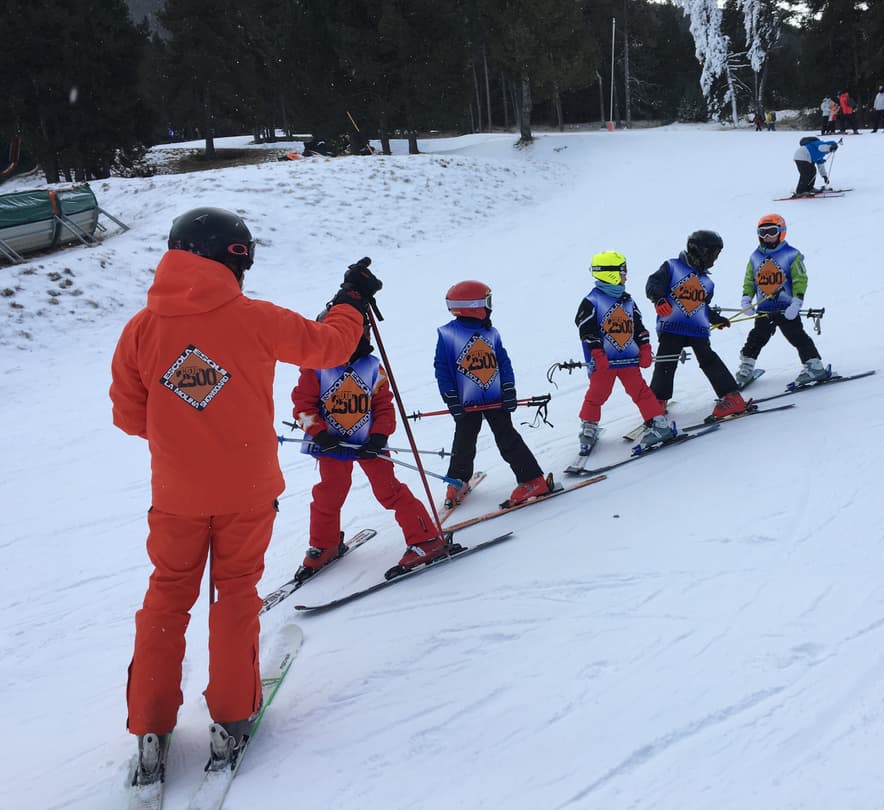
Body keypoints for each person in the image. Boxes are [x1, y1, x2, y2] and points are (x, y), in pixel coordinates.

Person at [110, 207, 377, 782]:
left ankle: (149, 724)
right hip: (247, 491)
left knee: (166, 600)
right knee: (234, 597)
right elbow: (332, 346)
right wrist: (351, 300)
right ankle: (231, 717)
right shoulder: (253, 318)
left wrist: (184, 428)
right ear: (235, 259)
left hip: (176, 495)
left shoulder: (141, 329)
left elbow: (130, 417)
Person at [291, 320, 445, 577]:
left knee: (389, 491)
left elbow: (384, 406)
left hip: (368, 443)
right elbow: (302, 407)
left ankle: (426, 539)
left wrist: (379, 436)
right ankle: (325, 544)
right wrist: (318, 433)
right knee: (329, 494)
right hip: (331, 445)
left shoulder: (373, 368)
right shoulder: (315, 368)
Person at [435, 280, 553, 507]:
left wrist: (508, 388)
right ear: (473, 306)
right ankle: (458, 480)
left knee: (507, 438)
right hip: (465, 402)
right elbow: (442, 370)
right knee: (463, 442)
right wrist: (450, 398)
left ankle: (532, 480)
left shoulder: (491, 333)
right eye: (487, 301)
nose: (490, 306)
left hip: (495, 399)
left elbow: (503, 363)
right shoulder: (448, 335)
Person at [575, 251, 675, 452]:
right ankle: (589, 426)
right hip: (604, 362)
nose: (626, 277)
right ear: (610, 274)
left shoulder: (627, 301)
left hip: (628, 359)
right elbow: (586, 329)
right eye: (623, 273)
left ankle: (658, 423)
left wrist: (645, 347)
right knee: (597, 394)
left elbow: (639, 328)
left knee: (641, 392)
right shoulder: (592, 301)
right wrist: (597, 353)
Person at [645, 230, 746, 420]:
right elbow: (654, 283)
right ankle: (658, 400)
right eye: (713, 254)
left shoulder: (707, 282)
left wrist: (716, 318)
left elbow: (702, 307)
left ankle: (732, 397)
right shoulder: (672, 267)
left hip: (696, 329)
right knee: (666, 361)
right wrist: (658, 299)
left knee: (708, 359)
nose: (714, 260)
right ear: (701, 251)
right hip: (672, 327)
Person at [734, 214, 830, 388]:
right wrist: (746, 298)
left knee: (796, 335)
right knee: (756, 337)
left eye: (772, 231)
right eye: (763, 232)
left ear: (781, 232)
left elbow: (800, 279)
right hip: (764, 308)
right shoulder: (755, 257)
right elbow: (750, 280)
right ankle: (746, 367)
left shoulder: (791, 254)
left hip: (786, 308)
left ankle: (814, 366)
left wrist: (797, 302)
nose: (767, 236)